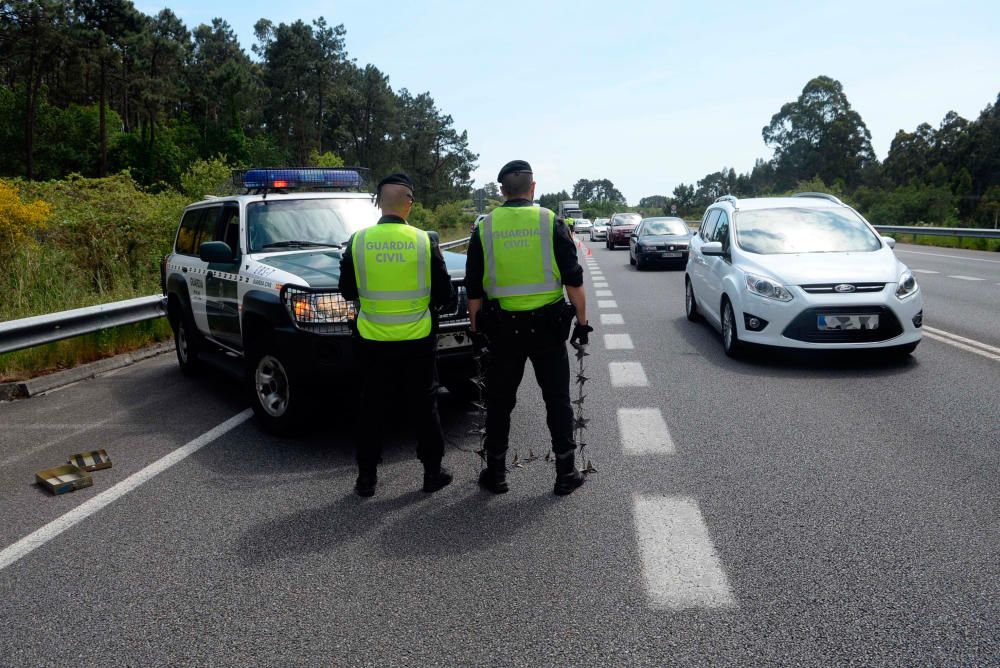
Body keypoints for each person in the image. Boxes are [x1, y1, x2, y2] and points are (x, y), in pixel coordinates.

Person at [465, 160, 594, 496]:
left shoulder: (485, 227)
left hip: (503, 331)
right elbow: (573, 280)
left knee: (499, 403)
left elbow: (474, 289)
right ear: (532, 188)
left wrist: (476, 329)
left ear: (501, 191)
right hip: (548, 329)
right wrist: (582, 323)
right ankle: (566, 472)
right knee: (557, 400)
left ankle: (496, 474)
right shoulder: (550, 222)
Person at [338, 173, 455, 497]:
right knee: (424, 406)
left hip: (372, 340)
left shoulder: (357, 241)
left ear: (378, 203)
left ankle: (366, 479)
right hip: (417, 340)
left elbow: (347, 290)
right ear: (409, 203)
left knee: (371, 407)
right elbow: (444, 294)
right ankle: (432, 473)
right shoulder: (423, 241)